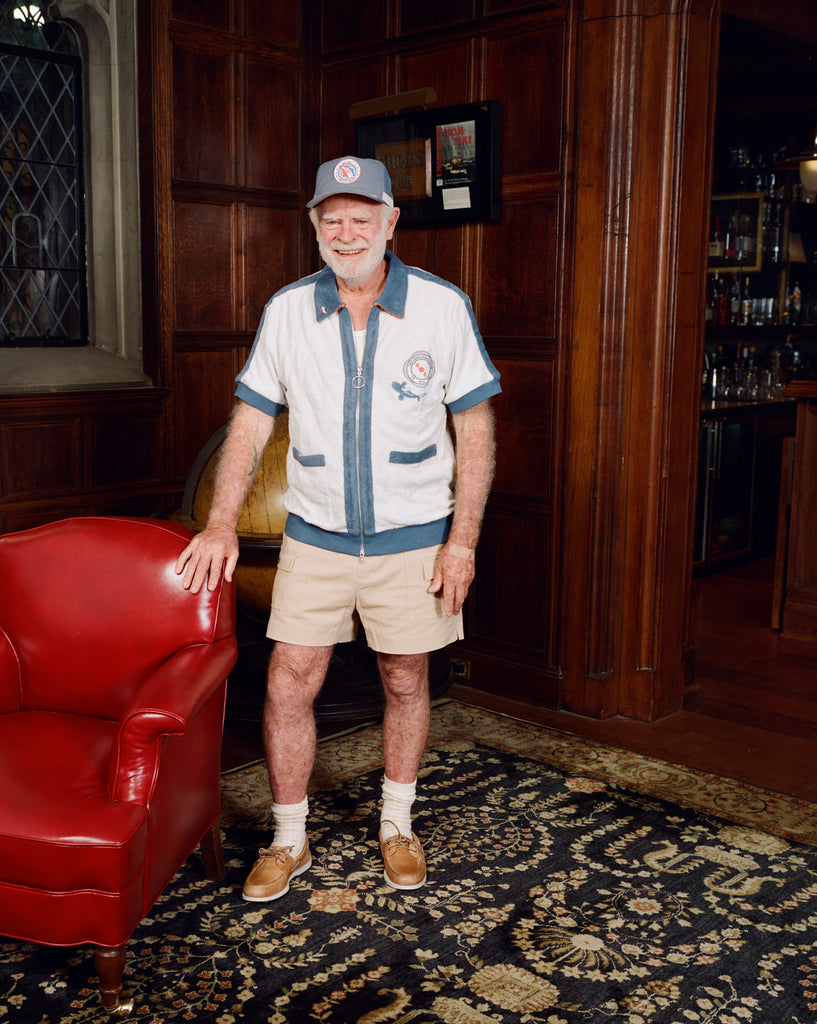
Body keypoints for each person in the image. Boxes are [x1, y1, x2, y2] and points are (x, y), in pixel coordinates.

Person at [175, 156, 500, 901]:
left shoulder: (441, 307)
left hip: (414, 535)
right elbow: (250, 422)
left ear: (391, 222)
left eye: (361, 218)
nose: (346, 233)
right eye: (332, 220)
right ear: (315, 227)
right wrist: (221, 522)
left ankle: (397, 824)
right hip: (315, 534)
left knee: (405, 675)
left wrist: (462, 542)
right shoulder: (288, 310)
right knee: (288, 680)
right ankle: (289, 839)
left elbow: (475, 429)